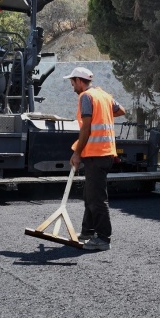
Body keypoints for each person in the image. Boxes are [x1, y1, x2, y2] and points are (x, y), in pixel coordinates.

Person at [65, 67, 125, 251]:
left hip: (96, 154)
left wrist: (77, 153)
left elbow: (86, 129)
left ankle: (103, 239)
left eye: (72, 82)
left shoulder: (86, 97)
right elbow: (121, 110)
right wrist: (105, 111)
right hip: (105, 153)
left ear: (79, 81)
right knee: (89, 195)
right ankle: (87, 231)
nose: (72, 86)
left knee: (97, 198)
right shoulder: (104, 95)